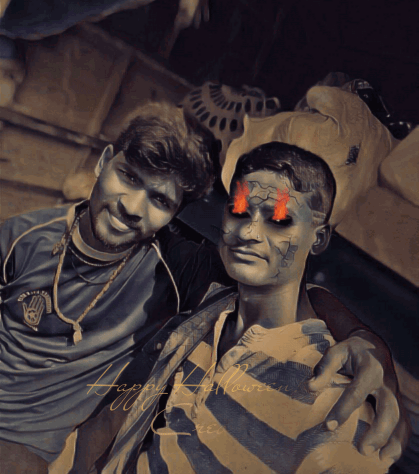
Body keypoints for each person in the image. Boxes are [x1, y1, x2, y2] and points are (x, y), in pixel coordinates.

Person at [0, 105, 406, 473]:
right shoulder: (22, 238)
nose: (132, 207)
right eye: (239, 211)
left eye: (278, 219)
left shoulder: (176, 269)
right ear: (104, 162)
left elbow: (295, 290)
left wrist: (368, 342)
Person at [101, 142, 405, 474]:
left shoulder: (330, 395)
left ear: (318, 239)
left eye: (280, 220)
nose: (249, 232)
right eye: (239, 211)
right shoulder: (208, 308)